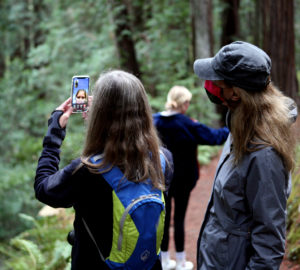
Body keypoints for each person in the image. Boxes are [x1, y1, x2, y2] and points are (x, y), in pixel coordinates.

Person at [34, 70, 174, 270]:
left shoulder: (88, 170)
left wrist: (54, 135)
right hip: (147, 264)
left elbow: (43, 188)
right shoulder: (163, 160)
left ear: (99, 115)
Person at [193, 41, 297, 269]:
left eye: (216, 81)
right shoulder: (240, 127)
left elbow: (269, 242)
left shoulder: (264, 155)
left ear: (236, 93)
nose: (209, 85)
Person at [153, 86, 229, 270]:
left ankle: (164, 261)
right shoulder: (187, 124)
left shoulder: (153, 121)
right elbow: (215, 137)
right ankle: (180, 262)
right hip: (183, 180)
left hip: (160, 179)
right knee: (178, 218)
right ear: (184, 104)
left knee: (162, 219)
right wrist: (233, 127)